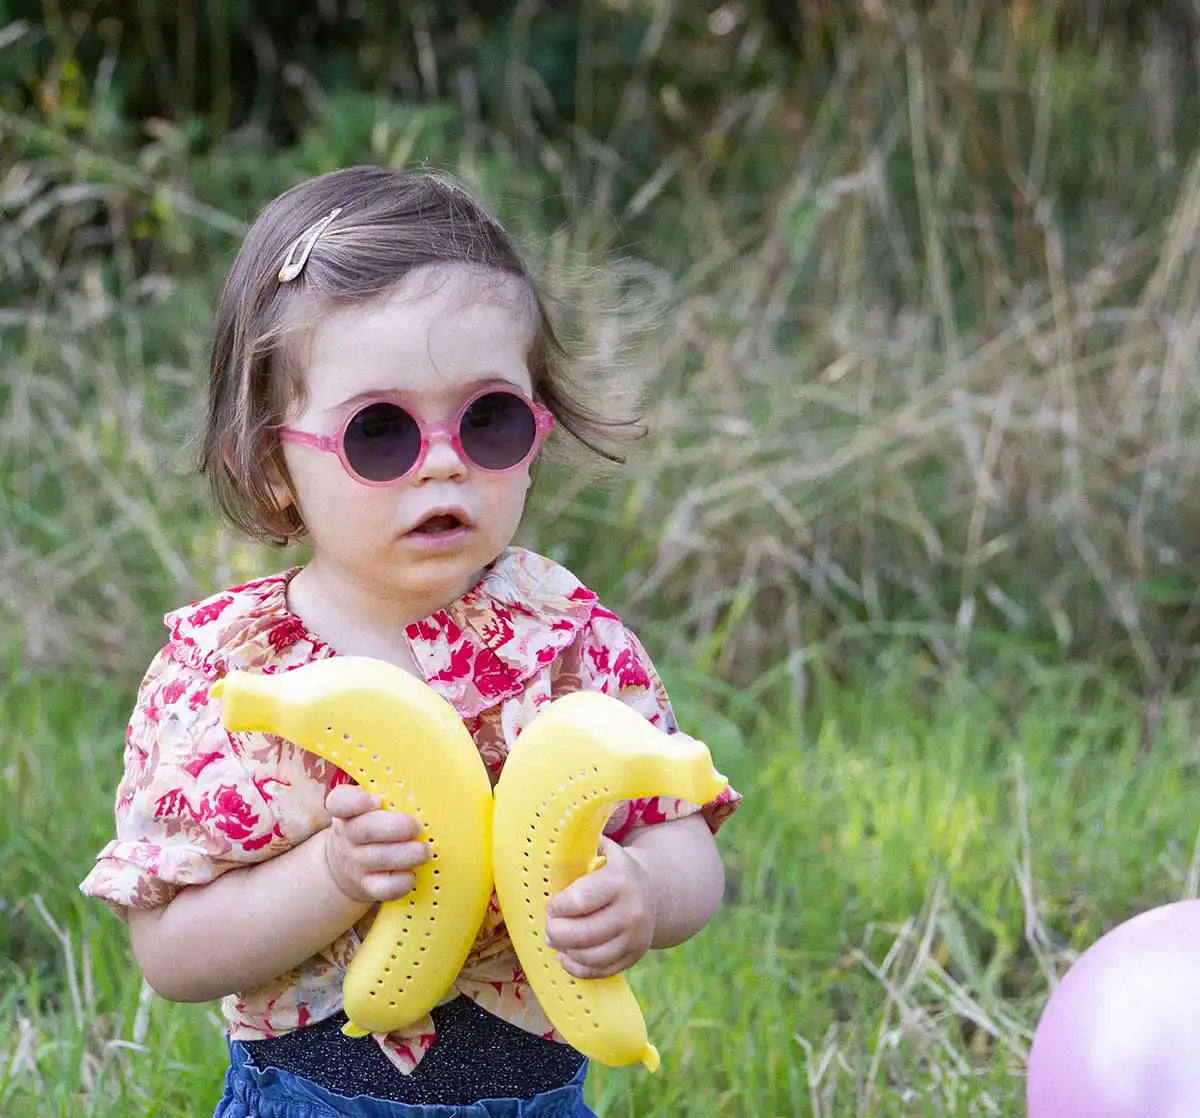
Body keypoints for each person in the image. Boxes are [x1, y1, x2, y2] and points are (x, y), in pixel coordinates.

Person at [80, 166, 741, 1118]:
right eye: (380, 433)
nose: (442, 463)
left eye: (489, 420)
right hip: (313, 1097)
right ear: (271, 466)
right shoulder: (233, 671)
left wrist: (643, 891)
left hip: (537, 1096)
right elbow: (171, 952)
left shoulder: (567, 637)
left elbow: (684, 839)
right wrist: (330, 876)